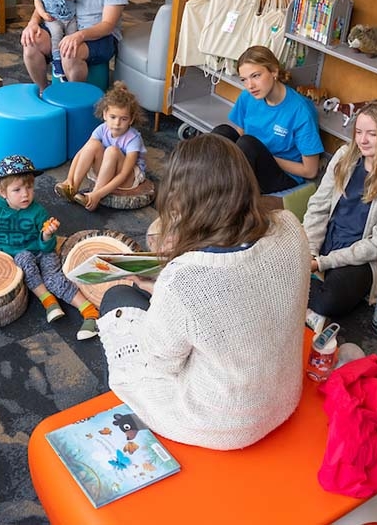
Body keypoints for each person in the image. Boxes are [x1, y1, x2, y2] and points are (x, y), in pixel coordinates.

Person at [96, 134, 309, 450]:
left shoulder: (184, 278)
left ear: (184, 200)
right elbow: (250, 288)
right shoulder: (290, 225)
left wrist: (162, 294)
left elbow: (160, 362)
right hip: (285, 394)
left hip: (225, 421)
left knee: (118, 298)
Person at [302, 98, 377, 325]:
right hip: (327, 239)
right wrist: (310, 251)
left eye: (372, 134)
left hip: (362, 257)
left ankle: (296, 291)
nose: (362, 140)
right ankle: (302, 293)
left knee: (331, 301)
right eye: (359, 131)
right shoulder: (343, 156)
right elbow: (319, 206)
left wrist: (321, 264)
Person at [0, 155, 101, 340]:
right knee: (23, 259)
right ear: (3, 192)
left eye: (29, 187)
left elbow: (47, 247)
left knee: (54, 278)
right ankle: (49, 302)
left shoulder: (38, 212)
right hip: (18, 255)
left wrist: (47, 235)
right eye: (17, 189)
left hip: (41, 250)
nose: (25, 194)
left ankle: (90, 312)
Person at [210, 45, 323, 194]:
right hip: (250, 161)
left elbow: (310, 171)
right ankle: (207, 187)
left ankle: (226, 197)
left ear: (274, 71)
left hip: (283, 174)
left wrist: (263, 156)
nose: (250, 86)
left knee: (247, 144)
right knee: (221, 133)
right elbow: (239, 136)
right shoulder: (247, 97)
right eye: (244, 79)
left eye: (256, 76)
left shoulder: (301, 111)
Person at [55, 81, 146, 211]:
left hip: (128, 178)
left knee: (112, 151)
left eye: (123, 119)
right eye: (113, 117)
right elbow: (82, 152)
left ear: (131, 120)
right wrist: (69, 178)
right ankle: (73, 187)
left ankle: (94, 196)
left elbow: (124, 174)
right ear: (105, 115)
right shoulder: (102, 129)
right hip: (106, 170)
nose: (117, 123)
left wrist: (98, 194)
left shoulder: (133, 139)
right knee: (93, 145)